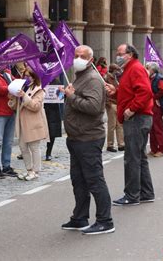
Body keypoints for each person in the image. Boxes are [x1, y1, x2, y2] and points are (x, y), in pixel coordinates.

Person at [60, 45, 115, 235]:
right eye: (75, 55)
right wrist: (70, 93)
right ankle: (80, 217)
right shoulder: (80, 76)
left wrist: (71, 96)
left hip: (88, 137)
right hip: (77, 137)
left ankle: (105, 220)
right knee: (79, 180)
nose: (77, 58)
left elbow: (92, 106)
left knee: (94, 180)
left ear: (90, 59)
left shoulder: (92, 78)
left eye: (81, 56)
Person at [105, 44, 155, 206]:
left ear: (130, 54)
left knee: (132, 158)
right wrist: (116, 92)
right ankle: (146, 192)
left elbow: (145, 92)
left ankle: (132, 195)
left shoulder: (135, 69)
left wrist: (131, 109)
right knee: (139, 157)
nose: (117, 56)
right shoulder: (130, 69)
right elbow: (130, 91)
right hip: (139, 117)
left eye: (120, 53)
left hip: (137, 118)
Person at [9, 68, 49, 181]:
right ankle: (29, 170)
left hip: (33, 122)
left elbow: (35, 106)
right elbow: (14, 107)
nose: (26, 78)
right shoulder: (21, 88)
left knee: (34, 147)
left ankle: (36, 171)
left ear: (34, 77)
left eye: (29, 76)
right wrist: (12, 97)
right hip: (22, 122)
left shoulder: (39, 90)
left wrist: (24, 96)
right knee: (23, 147)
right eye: (25, 76)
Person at [145, 62, 163, 157]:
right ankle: (153, 148)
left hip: (156, 106)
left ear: (153, 69)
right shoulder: (150, 78)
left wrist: (154, 97)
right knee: (151, 128)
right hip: (151, 105)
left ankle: (161, 149)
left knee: (157, 128)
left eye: (148, 68)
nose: (146, 69)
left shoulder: (158, 78)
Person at [104, 64, 124, 153]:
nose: (118, 71)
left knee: (119, 124)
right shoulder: (106, 78)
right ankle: (110, 144)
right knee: (112, 125)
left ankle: (121, 144)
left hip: (118, 103)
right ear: (113, 70)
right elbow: (104, 91)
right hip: (111, 103)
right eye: (117, 69)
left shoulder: (117, 78)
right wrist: (108, 102)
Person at [44, 78, 63, 161]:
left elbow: (61, 96)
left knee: (52, 132)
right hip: (43, 109)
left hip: (53, 110)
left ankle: (48, 152)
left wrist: (61, 93)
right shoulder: (41, 81)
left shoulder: (57, 81)